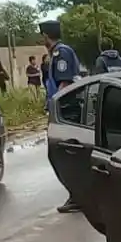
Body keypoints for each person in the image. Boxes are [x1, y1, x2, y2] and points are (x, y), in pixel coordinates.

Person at [40, 20, 83, 214]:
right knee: (63, 154)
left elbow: (64, 84)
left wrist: (56, 110)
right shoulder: (58, 53)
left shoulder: (61, 52)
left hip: (67, 111)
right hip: (64, 110)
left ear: (46, 36)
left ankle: (79, 196)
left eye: (42, 36)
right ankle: (77, 195)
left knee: (65, 155)